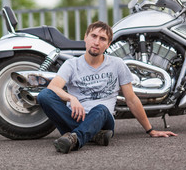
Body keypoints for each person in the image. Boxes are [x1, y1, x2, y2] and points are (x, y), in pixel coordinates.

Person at [37, 21, 177, 154]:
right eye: (93, 36)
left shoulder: (117, 64)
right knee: (44, 95)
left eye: (102, 39)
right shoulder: (71, 64)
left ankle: (76, 138)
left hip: (103, 120)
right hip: (75, 118)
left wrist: (150, 130)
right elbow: (53, 88)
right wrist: (71, 98)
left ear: (108, 44)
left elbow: (131, 99)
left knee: (101, 109)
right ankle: (93, 136)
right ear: (85, 38)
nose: (97, 42)